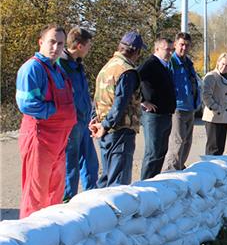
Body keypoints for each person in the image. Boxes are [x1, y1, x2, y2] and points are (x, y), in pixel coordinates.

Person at [16, 24, 77, 218]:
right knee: (36, 194)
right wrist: (56, 111)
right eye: (51, 42)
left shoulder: (58, 69)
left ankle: (50, 233)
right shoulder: (32, 69)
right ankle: (30, 239)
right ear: (41, 42)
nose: (55, 47)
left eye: (60, 43)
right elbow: (27, 104)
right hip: (39, 138)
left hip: (59, 139)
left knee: (55, 192)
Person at [90, 31, 145, 188]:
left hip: (104, 130)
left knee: (106, 177)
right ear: (136, 51)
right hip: (120, 129)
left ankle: (99, 210)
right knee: (118, 182)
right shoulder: (127, 71)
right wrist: (107, 124)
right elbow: (120, 103)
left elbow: (97, 97)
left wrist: (96, 121)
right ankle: (116, 212)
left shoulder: (106, 68)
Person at [57, 27, 99, 201]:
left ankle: (91, 197)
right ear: (80, 45)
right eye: (88, 44)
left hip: (84, 120)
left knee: (90, 162)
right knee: (70, 164)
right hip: (70, 122)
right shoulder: (61, 65)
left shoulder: (78, 64)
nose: (90, 48)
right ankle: (68, 200)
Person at [162, 32, 202, 171]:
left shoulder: (188, 63)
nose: (184, 48)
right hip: (177, 108)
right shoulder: (171, 62)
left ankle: (180, 168)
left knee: (187, 142)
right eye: (181, 44)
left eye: (187, 45)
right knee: (177, 142)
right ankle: (170, 171)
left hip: (190, 107)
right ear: (175, 45)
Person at [138, 37, 176, 180]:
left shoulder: (165, 65)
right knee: (153, 152)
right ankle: (145, 184)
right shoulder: (150, 64)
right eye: (167, 49)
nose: (170, 52)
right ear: (157, 49)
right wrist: (142, 101)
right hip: (153, 115)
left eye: (172, 49)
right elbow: (133, 79)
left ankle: (154, 181)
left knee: (161, 151)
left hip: (166, 113)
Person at [202, 53, 227, 155]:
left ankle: (216, 169)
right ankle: (209, 168)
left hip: (223, 116)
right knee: (213, 148)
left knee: (220, 147)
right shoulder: (211, 76)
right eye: (222, 64)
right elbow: (206, 96)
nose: (224, 67)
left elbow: (224, 96)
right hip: (213, 116)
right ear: (218, 63)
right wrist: (217, 108)